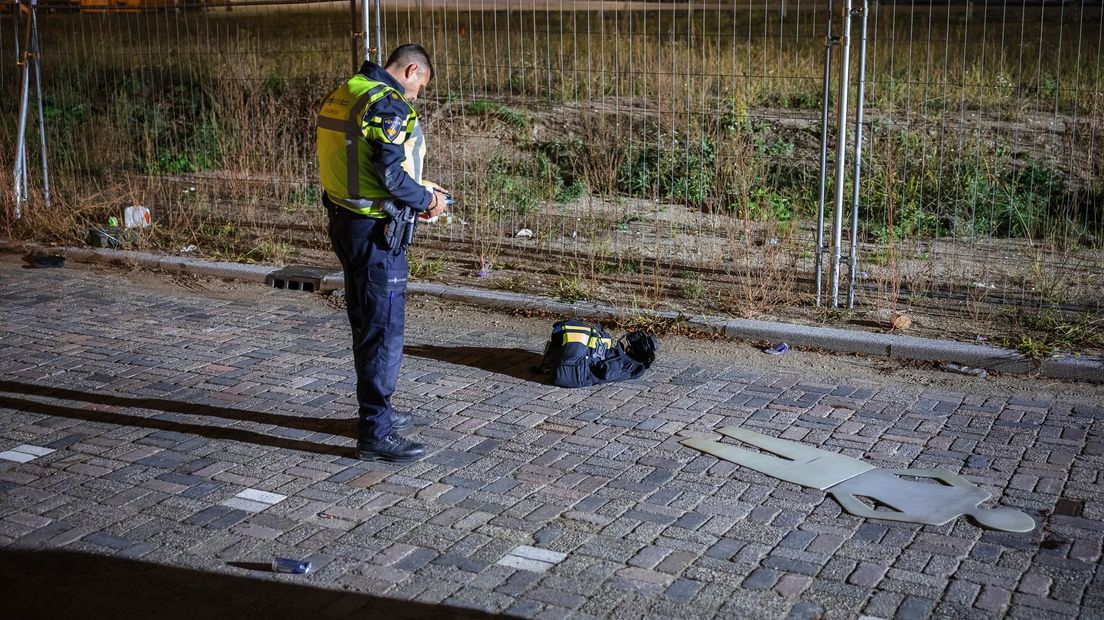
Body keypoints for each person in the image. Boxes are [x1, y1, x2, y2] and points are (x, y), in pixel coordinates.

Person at [316, 44, 449, 462]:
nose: (414, 97)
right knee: (384, 331)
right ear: (411, 70)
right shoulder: (387, 104)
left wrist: (418, 190)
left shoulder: (347, 90)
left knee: (365, 323)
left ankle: (378, 413)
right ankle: (376, 430)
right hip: (377, 232)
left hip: (345, 219)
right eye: (418, 87)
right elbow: (391, 174)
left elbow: (362, 162)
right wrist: (426, 201)